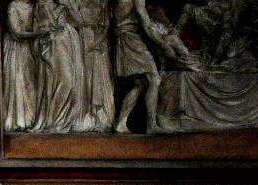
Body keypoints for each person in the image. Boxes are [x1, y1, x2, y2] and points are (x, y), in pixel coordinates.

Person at [112, 0, 166, 133]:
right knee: (154, 79)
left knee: (141, 83)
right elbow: (146, 25)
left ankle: (121, 123)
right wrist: (165, 46)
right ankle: (151, 125)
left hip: (124, 38)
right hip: (131, 39)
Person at [32, 0, 86, 132]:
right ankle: (54, 121)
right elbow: (41, 28)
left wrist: (68, 5)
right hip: (53, 45)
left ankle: (61, 120)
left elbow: (79, 23)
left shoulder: (66, 3)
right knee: (63, 81)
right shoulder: (43, 4)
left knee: (71, 82)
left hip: (69, 41)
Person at [2, 0, 52, 132]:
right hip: (17, 49)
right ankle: (18, 119)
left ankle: (30, 119)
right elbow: (17, 33)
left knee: (30, 82)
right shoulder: (13, 6)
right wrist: (39, 33)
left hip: (31, 49)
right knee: (19, 81)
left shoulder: (34, 6)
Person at [75, 0, 115, 131]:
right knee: (84, 78)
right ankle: (86, 116)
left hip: (97, 43)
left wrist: (94, 44)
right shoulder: (78, 2)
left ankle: (100, 116)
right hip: (82, 40)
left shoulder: (103, 3)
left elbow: (106, 27)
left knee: (98, 78)